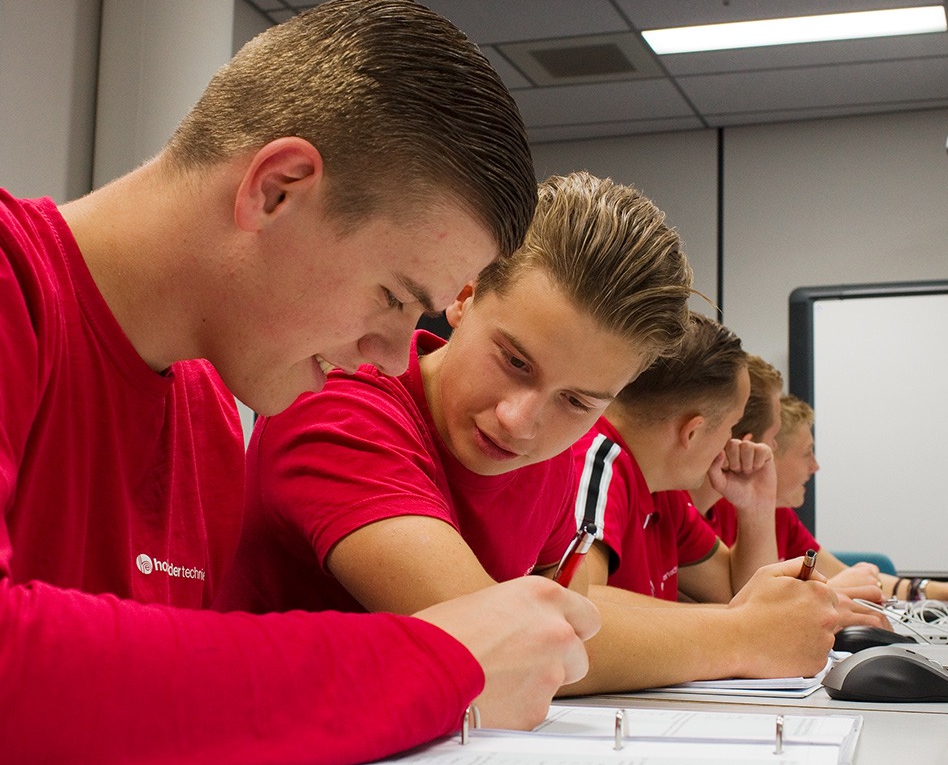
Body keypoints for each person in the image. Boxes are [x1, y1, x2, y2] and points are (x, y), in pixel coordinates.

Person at [0, 0, 601, 765]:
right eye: (394, 297)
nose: (394, 356)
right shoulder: (13, 292)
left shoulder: (208, 415)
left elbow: (165, 722)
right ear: (277, 190)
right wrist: (438, 662)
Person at [220, 172, 840, 691]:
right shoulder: (339, 409)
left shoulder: (555, 457)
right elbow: (504, 645)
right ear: (463, 294)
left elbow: (570, 615)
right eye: (514, 361)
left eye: (576, 400)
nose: (521, 422)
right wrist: (743, 634)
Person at [571, 313, 841, 675]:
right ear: (693, 432)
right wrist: (747, 628)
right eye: (731, 426)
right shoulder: (598, 460)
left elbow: (737, 592)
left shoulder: (663, 487)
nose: (730, 441)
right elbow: (578, 605)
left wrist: (756, 507)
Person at [708, 393, 948, 602]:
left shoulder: (778, 516)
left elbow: (844, 575)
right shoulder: (710, 512)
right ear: (763, 448)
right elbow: (749, 611)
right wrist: (830, 591)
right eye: (806, 452)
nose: (815, 465)